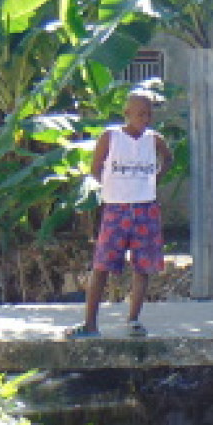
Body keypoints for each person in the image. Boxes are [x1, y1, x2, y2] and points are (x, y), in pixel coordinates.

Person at [67, 91, 173, 338]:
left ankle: (134, 319)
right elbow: (96, 169)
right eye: (139, 114)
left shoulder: (154, 139)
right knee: (102, 266)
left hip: (146, 208)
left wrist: (155, 178)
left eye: (148, 114)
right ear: (127, 114)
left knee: (142, 267)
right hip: (117, 209)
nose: (144, 119)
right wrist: (116, 187)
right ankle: (90, 324)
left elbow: (168, 159)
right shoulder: (110, 137)